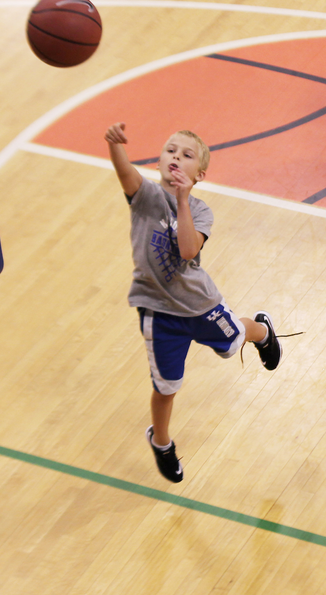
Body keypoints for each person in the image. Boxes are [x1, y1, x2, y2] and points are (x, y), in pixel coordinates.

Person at [105, 123, 282, 483]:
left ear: (199, 175)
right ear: (158, 162)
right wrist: (115, 146)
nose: (176, 157)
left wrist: (183, 200)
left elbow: (187, 250)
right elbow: (124, 172)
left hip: (200, 305)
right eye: (170, 150)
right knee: (166, 387)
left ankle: (261, 331)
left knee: (234, 342)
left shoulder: (200, 211)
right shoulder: (144, 196)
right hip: (158, 312)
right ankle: (161, 441)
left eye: (186, 155)